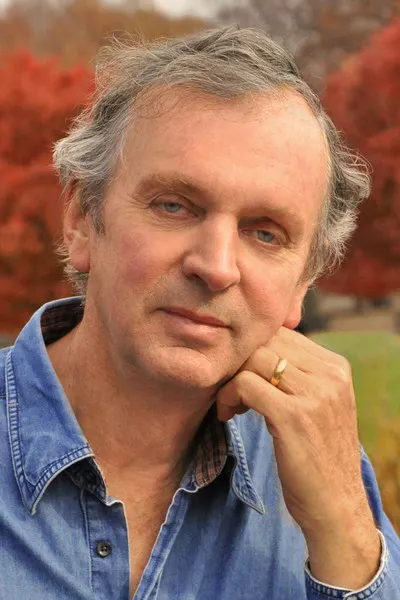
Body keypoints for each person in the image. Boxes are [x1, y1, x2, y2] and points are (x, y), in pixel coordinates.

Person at [1, 26, 399, 600]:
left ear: (302, 286)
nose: (216, 266)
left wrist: (345, 532)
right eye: (174, 205)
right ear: (82, 219)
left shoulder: (322, 471)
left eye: (265, 233)